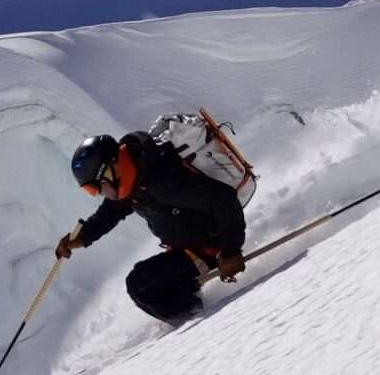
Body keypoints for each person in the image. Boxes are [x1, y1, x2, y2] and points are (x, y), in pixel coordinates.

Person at [59, 130, 248, 324]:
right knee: (142, 282)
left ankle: (201, 321)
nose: (100, 193)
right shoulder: (135, 177)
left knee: (141, 285)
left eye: (97, 187)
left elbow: (223, 198)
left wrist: (231, 251)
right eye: (92, 191)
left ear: (110, 170)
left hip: (209, 249)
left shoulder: (162, 182)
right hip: (187, 248)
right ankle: (193, 314)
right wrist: (81, 237)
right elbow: (109, 213)